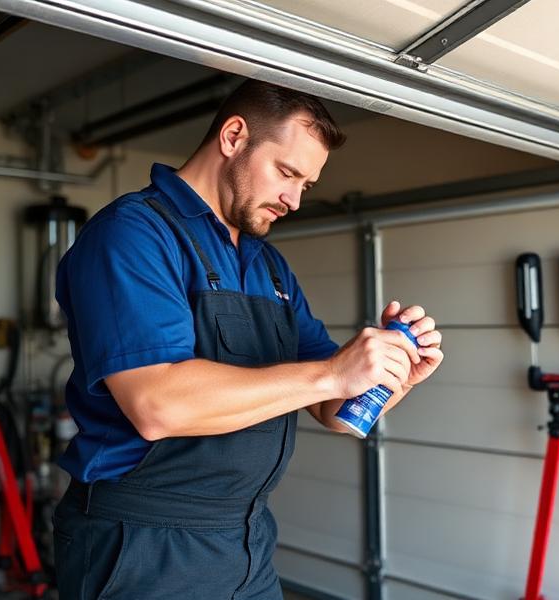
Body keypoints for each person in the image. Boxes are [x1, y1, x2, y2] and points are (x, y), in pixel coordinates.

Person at [52, 79, 443, 600]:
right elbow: (156, 405)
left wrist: (393, 375)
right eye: (287, 173)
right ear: (234, 137)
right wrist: (333, 372)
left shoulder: (268, 266)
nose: (294, 199)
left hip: (246, 540)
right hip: (142, 546)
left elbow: (333, 409)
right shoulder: (134, 234)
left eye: (307, 184)